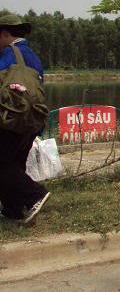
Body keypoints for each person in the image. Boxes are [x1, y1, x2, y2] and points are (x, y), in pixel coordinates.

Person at [0, 14, 50, 224]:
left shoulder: (7, 55)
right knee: (14, 164)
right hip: (31, 122)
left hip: (10, 119)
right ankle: (13, 211)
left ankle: (35, 194)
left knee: (2, 164)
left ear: (5, 34)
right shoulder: (33, 56)